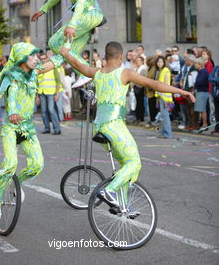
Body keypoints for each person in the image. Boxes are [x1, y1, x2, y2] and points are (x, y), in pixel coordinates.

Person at [59, 42, 195, 208]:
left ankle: (122, 205)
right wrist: (184, 92)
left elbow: (77, 65)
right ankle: (109, 190)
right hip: (114, 125)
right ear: (121, 56)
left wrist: (65, 53)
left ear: (106, 57)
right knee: (135, 163)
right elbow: (155, 84)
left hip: (100, 125)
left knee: (127, 166)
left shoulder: (97, 72)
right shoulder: (125, 73)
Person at [0, 42, 51, 220]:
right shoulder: (12, 76)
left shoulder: (35, 72)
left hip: (28, 128)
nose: (36, 59)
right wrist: (13, 111)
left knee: (37, 165)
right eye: (31, 56)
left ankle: (17, 184)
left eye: (36, 55)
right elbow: (13, 95)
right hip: (11, 126)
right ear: (23, 58)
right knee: (10, 164)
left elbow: (55, 62)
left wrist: (68, 48)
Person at [37, 52, 61, 134]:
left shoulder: (52, 67)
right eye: (41, 59)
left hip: (51, 92)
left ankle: (57, 129)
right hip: (42, 93)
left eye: (44, 58)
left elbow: (58, 81)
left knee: (51, 110)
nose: (43, 60)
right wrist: (36, 96)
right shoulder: (39, 68)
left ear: (47, 58)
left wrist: (57, 93)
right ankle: (47, 128)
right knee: (43, 111)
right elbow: (36, 83)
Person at [154, 56, 174, 138]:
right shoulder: (159, 71)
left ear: (164, 62)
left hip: (165, 97)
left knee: (165, 115)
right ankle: (163, 133)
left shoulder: (165, 70)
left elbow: (166, 84)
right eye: (158, 62)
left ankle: (168, 134)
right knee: (162, 115)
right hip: (160, 95)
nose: (159, 63)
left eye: (161, 62)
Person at [194, 57, 210, 131]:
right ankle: (203, 124)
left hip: (203, 92)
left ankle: (204, 124)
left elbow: (200, 82)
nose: (195, 65)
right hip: (201, 91)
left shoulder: (203, 72)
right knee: (201, 109)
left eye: (196, 63)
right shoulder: (201, 71)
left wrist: (195, 82)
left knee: (202, 109)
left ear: (200, 64)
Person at [209, 65, 219, 134]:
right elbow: (209, 78)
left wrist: (215, 79)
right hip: (216, 94)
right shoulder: (216, 67)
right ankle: (217, 128)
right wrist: (216, 80)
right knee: (217, 112)